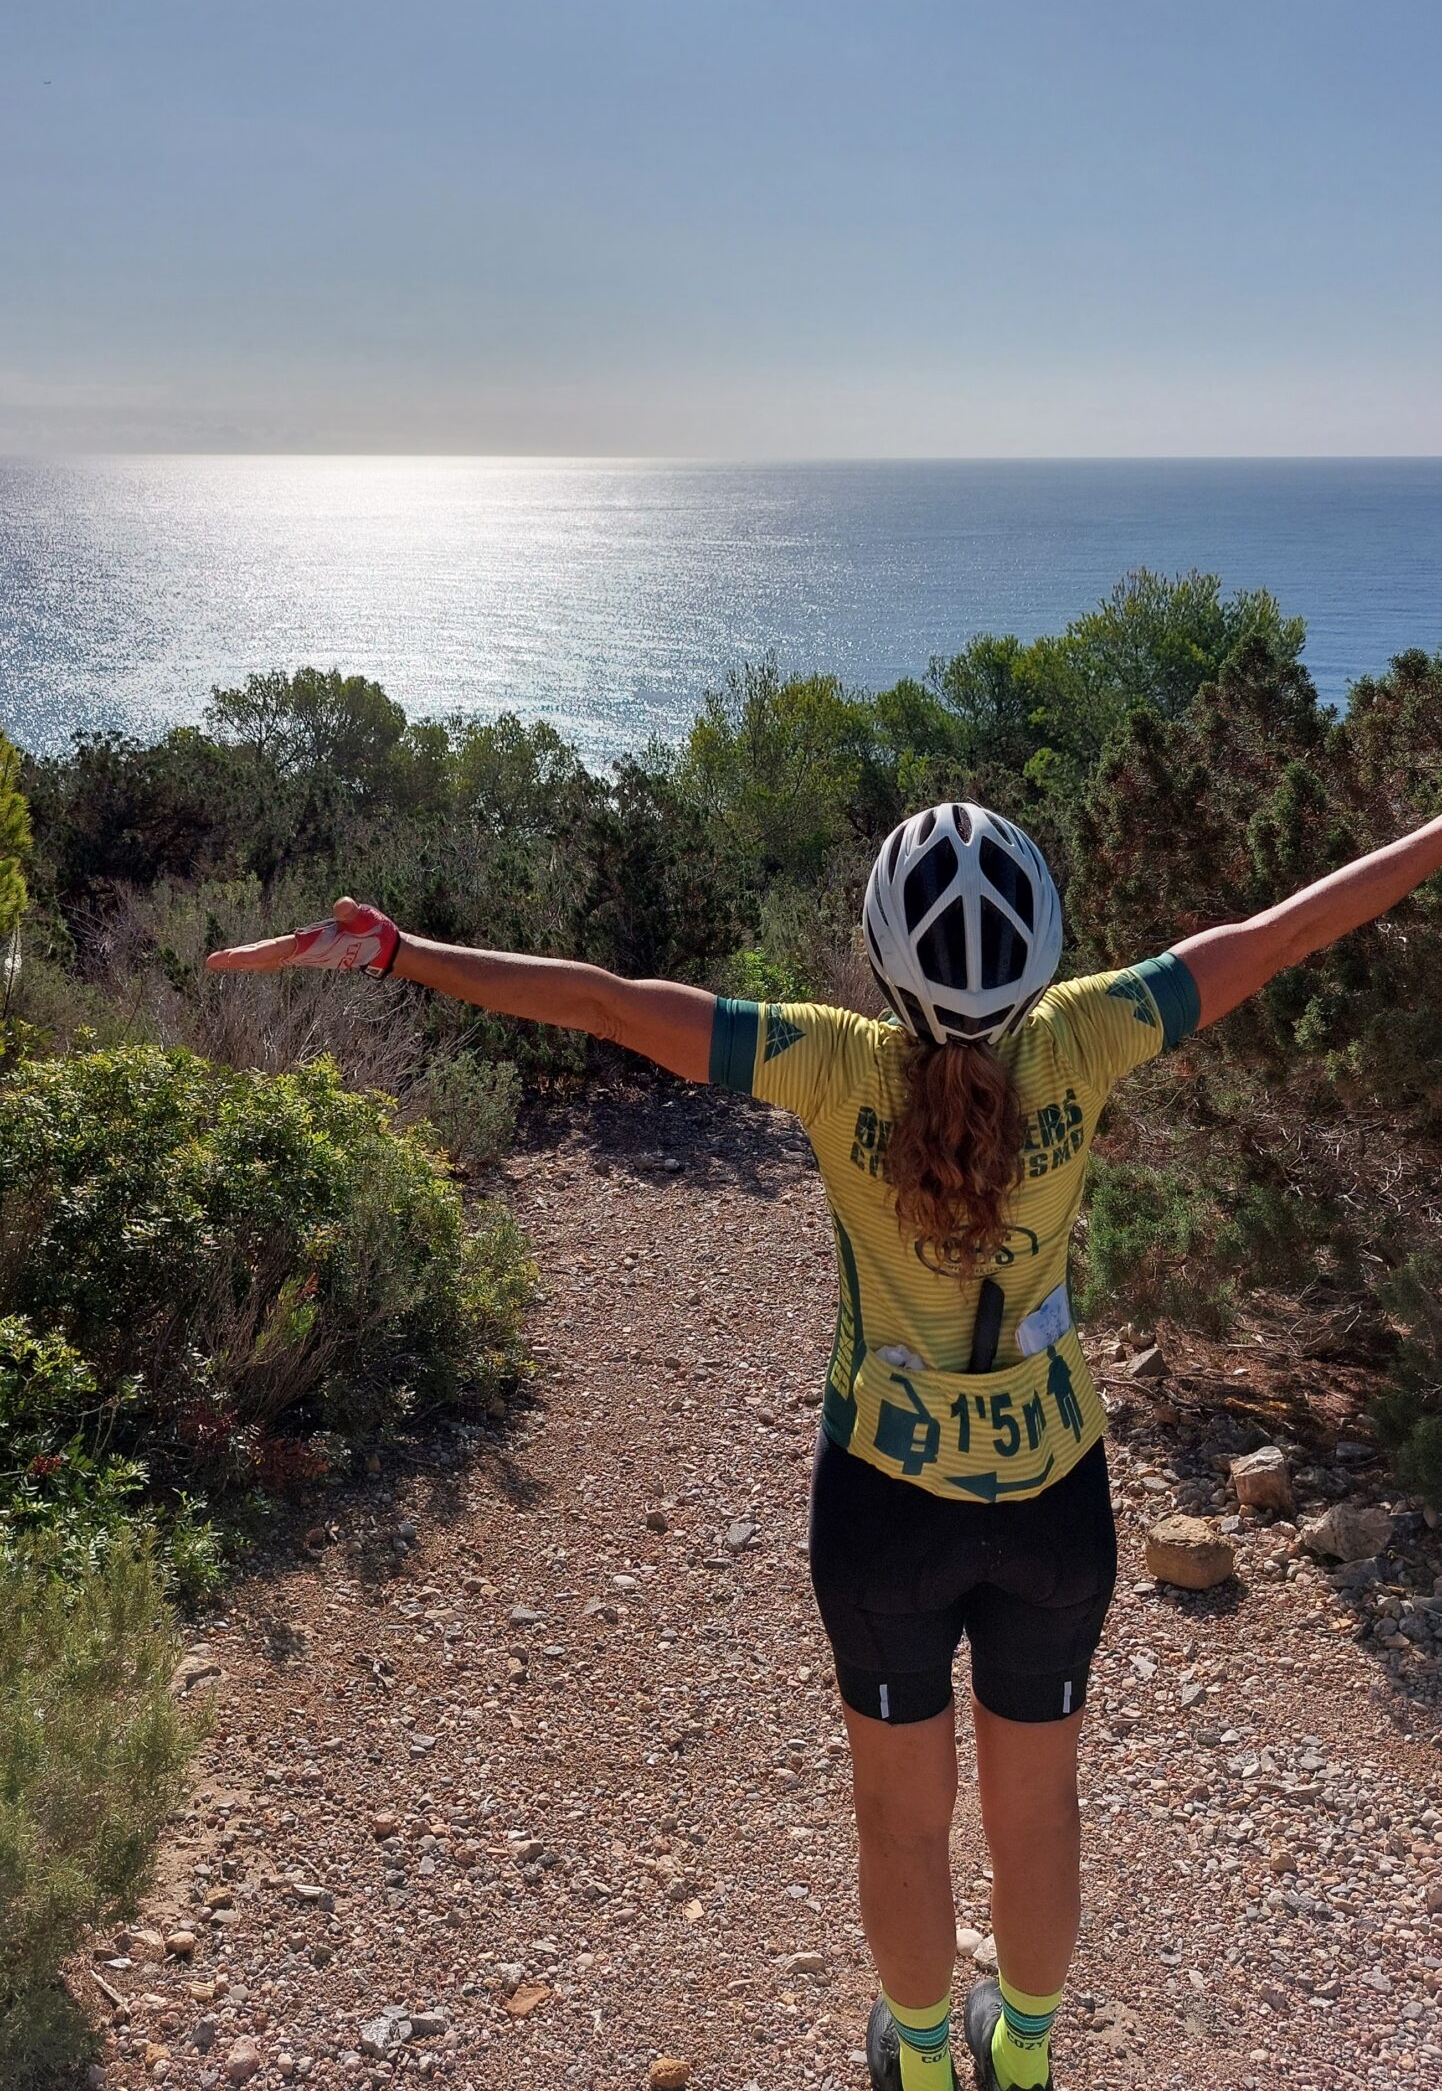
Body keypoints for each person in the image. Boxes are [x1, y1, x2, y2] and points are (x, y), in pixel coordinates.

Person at [208, 794, 1442, 2091]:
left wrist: (397, 951)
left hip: (880, 1509)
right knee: (1036, 1815)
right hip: (1053, 1506)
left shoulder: (824, 1060)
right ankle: (1018, 2059)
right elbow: (1283, 932)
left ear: (874, 953)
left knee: (901, 1827)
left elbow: (603, 1002)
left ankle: (914, 2061)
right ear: (1043, 950)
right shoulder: (1092, 1035)